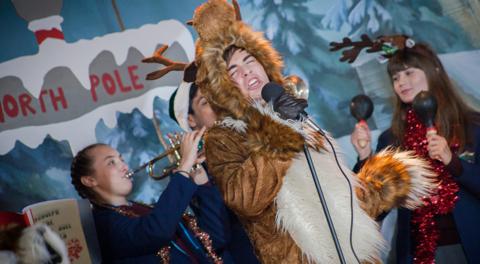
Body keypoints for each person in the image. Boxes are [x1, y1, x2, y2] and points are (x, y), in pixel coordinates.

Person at [188, 1, 437, 263]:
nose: (246, 71)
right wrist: (279, 134)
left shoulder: (291, 111)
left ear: (263, 63)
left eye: (249, 60)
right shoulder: (223, 137)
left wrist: (377, 186)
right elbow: (245, 199)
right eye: (233, 71)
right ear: (225, 86)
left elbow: (334, 196)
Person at [350, 40, 480, 263]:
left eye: (409, 73)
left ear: (433, 72)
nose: (402, 82)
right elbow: (375, 207)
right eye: (395, 78)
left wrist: (453, 162)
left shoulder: (472, 126)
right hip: (418, 255)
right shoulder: (391, 139)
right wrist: (364, 157)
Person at [70, 127, 235, 263]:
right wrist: (184, 166)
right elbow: (155, 232)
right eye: (111, 162)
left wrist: (200, 179)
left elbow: (216, 238)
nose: (124, 166)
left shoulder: (145, 209)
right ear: (90, 180)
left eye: (121, 159)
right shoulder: (101, 225)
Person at [168, 62, 260, 263]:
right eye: (204, 102)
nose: (216, 104)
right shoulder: (198, 172)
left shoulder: (256, 135)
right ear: (191, 120)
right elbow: (217, 240)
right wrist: (204, 185)